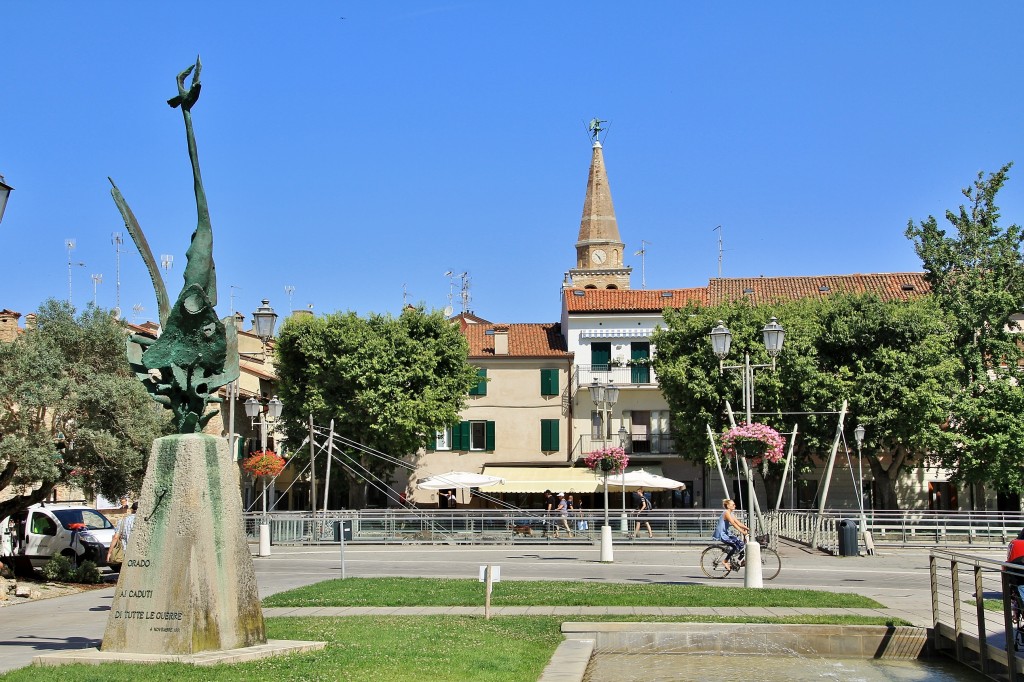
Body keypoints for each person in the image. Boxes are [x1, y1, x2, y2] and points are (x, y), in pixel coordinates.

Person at [713, 498, 749, 571]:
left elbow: (738, 523)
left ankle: (738, 562)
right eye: (733, 504)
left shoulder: (731, 513)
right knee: (735, 546)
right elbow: (733, 523)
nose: (735, 506)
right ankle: (725, 561)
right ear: (728, 506)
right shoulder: (726, 513)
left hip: (727, 533)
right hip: (722, 534)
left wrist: (748, 528)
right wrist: (743, 532)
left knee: (741, 544)